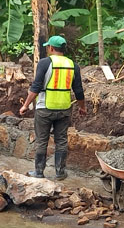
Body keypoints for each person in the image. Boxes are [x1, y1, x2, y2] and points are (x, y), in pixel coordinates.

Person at [19, 36, 86, 180]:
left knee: (42, 140)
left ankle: (38, 172)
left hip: (45, 108)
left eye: (48, 47)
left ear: (51, 48)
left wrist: (25, 105)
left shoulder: (45, 63)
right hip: (64, 109)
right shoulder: (73, 65)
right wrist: (82, 107)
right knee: (61, 140)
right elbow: (79, 90)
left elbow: (35, 87)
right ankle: (60, 173)